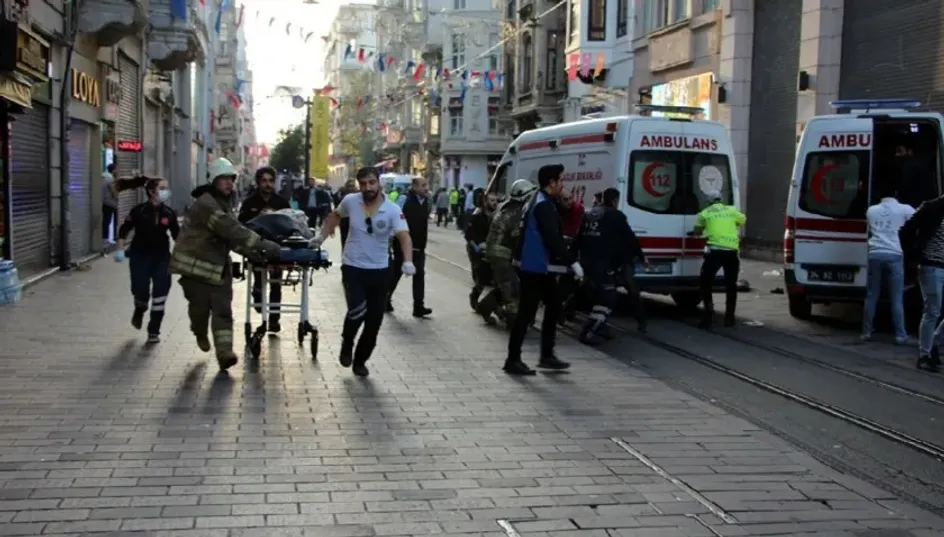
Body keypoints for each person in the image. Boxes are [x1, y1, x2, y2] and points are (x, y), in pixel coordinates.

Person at [171, 158, 281, 370]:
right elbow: (231, 229)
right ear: (214, 181)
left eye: (231, 179)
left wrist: (254, 254)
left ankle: (224, 353)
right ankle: (199, 331)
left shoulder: (224, 203)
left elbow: (230, 239)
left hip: (219, 268)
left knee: (223, 311)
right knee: (200, 310)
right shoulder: (206, 204)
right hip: (197, 270)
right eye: (224, 179)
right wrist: (262, 244)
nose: (230, 183)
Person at [319, 167, 415, 377]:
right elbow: (335, 216)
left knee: (374, 322)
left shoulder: (391, 209)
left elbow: (404, 236)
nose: (367, 188)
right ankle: (347, 341)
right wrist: (319, 238)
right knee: (357, 310)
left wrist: (408, 261)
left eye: (371, 183)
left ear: (378, 183)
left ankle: (360, 360)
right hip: (353, 266)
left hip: (380, 270)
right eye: (363, 184)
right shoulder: (351, 201)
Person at [506, 166, 582, 375]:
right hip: (534, 267)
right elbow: (552, 238)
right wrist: (572, 262)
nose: (563, 184)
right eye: (561, 180)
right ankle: (513, 359)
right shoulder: (543, 205)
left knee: (554, 306)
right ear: (551, 182)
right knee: (526, 313)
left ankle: (546, 356)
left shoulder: (539, 200)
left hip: (538, 266)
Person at [572, 187, 646, 345]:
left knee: (593, 292)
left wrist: (572, 258)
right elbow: (629, 238)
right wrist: (641, 256)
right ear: (615, 200)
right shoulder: (616, 216)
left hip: (585, 262)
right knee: (607, 298)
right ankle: (590, 331)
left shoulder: (589, 214)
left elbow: (578, 238)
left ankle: (600, 327)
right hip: (603, 263)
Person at [114, 178, 179, 343]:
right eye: (162, 188)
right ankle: (140, 307)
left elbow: (178, 236)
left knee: (160, 295)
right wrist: (120, 249)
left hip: (162, 259)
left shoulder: (169, 213)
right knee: (140, 290)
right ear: (152, 192)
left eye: (166, 187)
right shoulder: (139, 211)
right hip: (139, 257)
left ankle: (154, 330)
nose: (166, 191)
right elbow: (124, 229)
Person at [238, 166, 292, 332]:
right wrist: (259, 217)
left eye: (270, 181)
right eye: (264, 181)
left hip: (277, 248)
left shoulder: (281, 202)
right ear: (258, 182)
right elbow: (241, 224)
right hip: (257, 248)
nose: (267, 184)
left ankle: (274, 319)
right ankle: (258, 297)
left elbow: (290, 225)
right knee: (259, 279)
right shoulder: (249, 202)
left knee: (276, 283)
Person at [899, 192, 944, 372]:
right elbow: (906, 230)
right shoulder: (932, 207)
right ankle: (924, 355)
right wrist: (914, 254)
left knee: (935, 310)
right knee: (933, 309)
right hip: (931, 265)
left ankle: (933, 342)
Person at [691, 192, 746, 329]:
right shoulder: (732, 210)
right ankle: (729, 318)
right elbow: (742, 220)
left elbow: (697, 231)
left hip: (715, 252)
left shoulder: (705, 213)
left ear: (709, 202)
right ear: (722, 200)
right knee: (731, 285)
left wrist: (697, 232)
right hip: (732, 253)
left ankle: (709, 315)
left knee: (705, 283)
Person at [388, 177, 432, 317]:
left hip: (419, 244)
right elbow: (394, 219)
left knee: (419, 275)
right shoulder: (404, 199)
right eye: (423, 185)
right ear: (414, 187)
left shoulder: (426, 201)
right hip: (403, 244)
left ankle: (418, 306)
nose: (426, 188)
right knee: (397, 273)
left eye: (427, 185)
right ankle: (385, 299)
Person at [465, 190, 498, 316]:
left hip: (490, 249)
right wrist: (476, 247)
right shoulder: (477, 216)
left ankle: (491, 305)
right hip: (476, 249)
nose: (495, 203)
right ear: (485, 202)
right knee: (483, 277)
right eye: (492, 200)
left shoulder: (496, 216)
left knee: (493, 278)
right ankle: (474, 297)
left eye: (496, 201)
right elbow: (468, 235)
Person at [102, 163, 118, 244]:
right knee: (108, 220)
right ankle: (106, 238)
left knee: (105, 220)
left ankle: (105, 238)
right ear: (114, 170)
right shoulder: (110, 178)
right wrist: (117, 198)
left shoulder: (103, 176)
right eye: (116, 169)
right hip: (109, 202)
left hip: (102, 201)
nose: (117, 171)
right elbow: (113, 191)